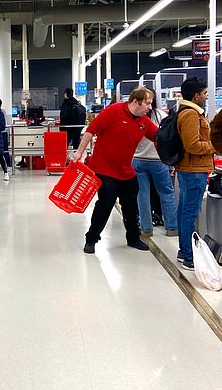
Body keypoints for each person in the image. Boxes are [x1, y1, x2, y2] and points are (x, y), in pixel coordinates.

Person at [72, 86, 157, 254]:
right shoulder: (114, 111)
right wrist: (79, 152)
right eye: (147, 103)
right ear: (135, 101)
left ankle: (133, 238)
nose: (150, 107)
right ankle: (91, 239)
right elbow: (91, 130)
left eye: (151, 103)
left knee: (131, 207)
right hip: (104, 169)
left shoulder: (144, 122)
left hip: (126, 171)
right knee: (105, 204)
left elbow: (160, 138)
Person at [174, 77, 216, 270]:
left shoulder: (186, 112)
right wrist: (214, 146)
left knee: (185, 212)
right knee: (189, 214)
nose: (206, 97)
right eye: (205, 93)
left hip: (189, 169)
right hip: (194, 170)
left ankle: (184, 252)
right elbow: (192, 145)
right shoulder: (191, 114)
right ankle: (189, 256)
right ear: (196, 95)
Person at [132, 88, 178, 237]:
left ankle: (146, 230)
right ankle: (171, 227)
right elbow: (168, 140)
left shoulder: (136, 117)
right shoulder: (161, 116)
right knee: (166, 193)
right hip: (158, 161)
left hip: (138, 160)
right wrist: (171, 163)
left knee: (142, 195)